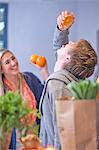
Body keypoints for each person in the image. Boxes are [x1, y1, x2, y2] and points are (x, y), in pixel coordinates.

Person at [39, 10, 97, 150]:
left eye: (72, 44)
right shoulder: (70, 77)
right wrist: (62, 30)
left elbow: (62, 131)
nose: (69, 42)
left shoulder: (57, 85)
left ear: (67, 59)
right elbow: (60, 48)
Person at [0, 48, 49, 149]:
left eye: (13, 58)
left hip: (36, 139)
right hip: (16, 143)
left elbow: (47, 99)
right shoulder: (2, 90)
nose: (13, 63)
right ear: (1, 69)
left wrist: (44, 71)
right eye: (7, 62)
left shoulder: (30, 79)